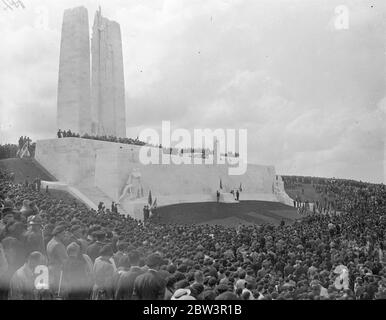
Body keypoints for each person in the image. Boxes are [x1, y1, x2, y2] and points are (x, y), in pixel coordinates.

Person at [46, 225, 68, 296]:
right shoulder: (58, 245)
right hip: (58, 270)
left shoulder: (50, 242)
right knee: (59, 292)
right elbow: (64, 260)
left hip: (51, 268)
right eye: (63, 234)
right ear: (58, 234)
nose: (64, 236)